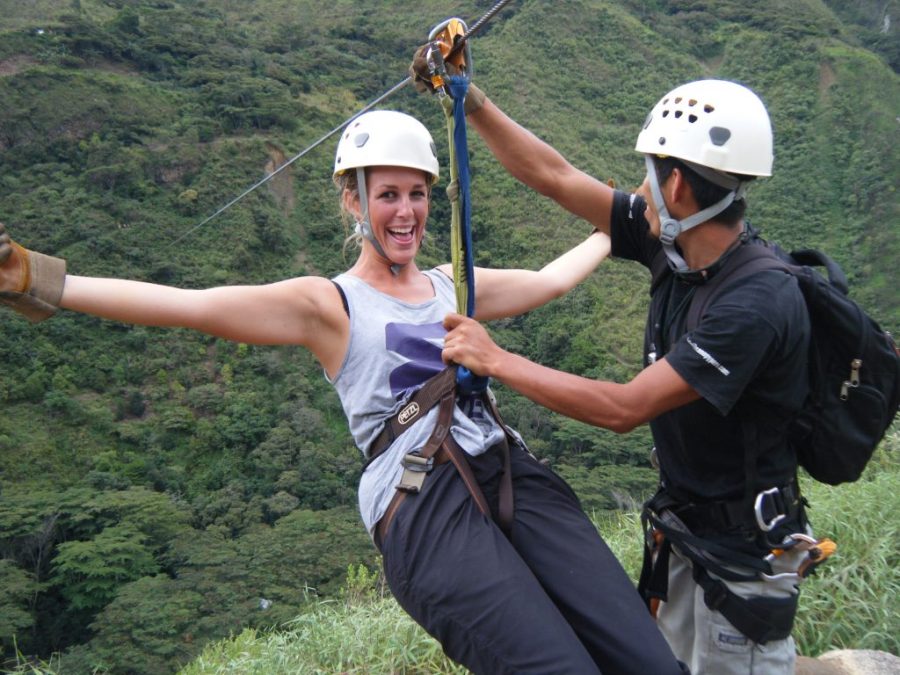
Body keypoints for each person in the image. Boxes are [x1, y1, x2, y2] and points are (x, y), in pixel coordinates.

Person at [0, 109, 688, 674]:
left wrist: (615, 228)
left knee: (642, 655)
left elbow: (551, 280)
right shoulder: (331, 305)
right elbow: (190, 303)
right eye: (387, 194)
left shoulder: (453, 283)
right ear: (352, 200)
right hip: (423, 498)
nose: (406, 212)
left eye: (416, 193)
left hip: (506, 468)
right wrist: (39, 278)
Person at [414, 64, 815, 675]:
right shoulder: (678, 242)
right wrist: (471, 99)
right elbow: (554, 177)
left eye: (648, 176)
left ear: (677, 186)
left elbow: (624, 408)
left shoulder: (753, 303)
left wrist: (495, 359)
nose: (639, 191)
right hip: (689, 541)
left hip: (743, 562)